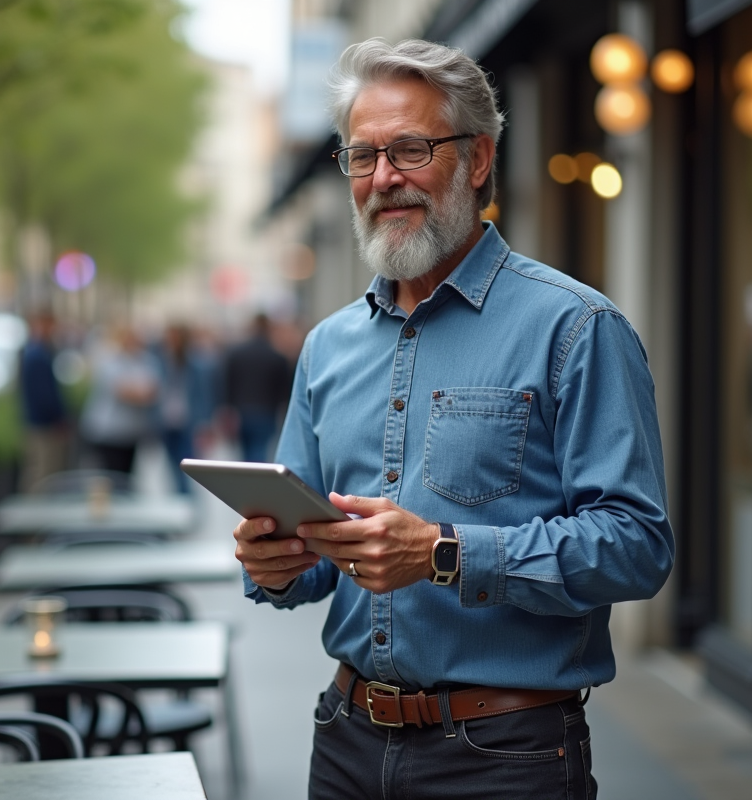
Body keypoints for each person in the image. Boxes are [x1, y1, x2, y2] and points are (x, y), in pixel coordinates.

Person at [232, 39, 674, 799]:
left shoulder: (575, 328)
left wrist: (442, 551)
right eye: (362, 156)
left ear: (476, 159)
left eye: (410, 148)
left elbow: (636, 548)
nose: (383, 178)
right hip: (344, 742)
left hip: (507, 757)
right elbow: (308, 554)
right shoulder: (327, 346)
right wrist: (276, 565)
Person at [79, 325, 159, 474]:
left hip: (131, 431)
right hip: (109, 432)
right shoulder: (109, 361)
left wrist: (136, 391)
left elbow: (152, 392)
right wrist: (138, 391)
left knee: (126, 476)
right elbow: (123, 391)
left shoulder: (146, 361)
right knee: (110, 475)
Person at [221, 313, 292, 462]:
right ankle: (252, 482)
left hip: (242, 411)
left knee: (245, 453)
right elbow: (284, 390)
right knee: (260, 451)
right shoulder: (277, 357)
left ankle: (246, 481)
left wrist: (227, 409)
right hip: (266, 412)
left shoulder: (236, 353)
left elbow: (228, 384)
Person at [156, 323, 216, 494]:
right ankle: (178, 498)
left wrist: (205, 423)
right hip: (166, 421)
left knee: (185, 465)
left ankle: (185, 499)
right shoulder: (162, 362)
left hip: (187, 422)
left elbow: (203, 395)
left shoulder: (196, 364)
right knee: (171, 465)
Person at [18, 311, 68, 491]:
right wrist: (58, 418)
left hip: (39, 422)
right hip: (42, 424)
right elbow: (44, 395)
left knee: (41, 471)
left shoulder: (36, 352)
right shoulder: (37, 355)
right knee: (42, 474)